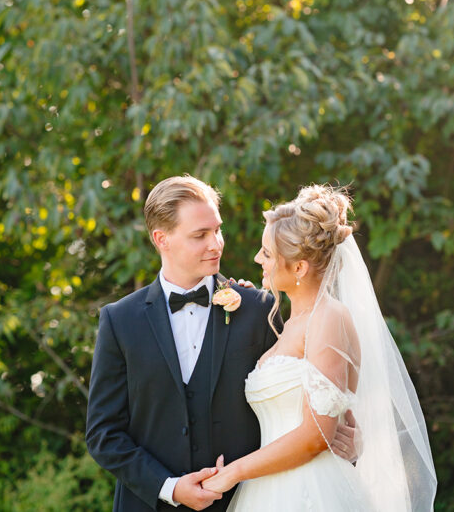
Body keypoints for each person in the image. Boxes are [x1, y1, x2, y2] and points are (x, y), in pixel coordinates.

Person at [86, 175, 358, 512]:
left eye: (217, 230)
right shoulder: (120, 320)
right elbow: (103, 434)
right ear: (161, 239)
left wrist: (344, 434)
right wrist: (168, 487)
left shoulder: (260, 308)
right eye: (200, 235)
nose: (215, 244)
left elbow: (308, 400)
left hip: (248, 501)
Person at [199, 185, 437, 511]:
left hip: (311, 492)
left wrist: (234, 472)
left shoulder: (330, 318)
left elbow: (315, 436)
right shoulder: (289, 324)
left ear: (299, 268)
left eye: (267, 253)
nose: (257, 259)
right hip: (269, 490)